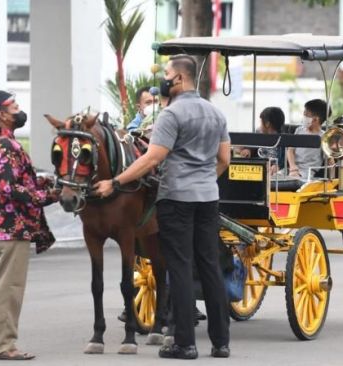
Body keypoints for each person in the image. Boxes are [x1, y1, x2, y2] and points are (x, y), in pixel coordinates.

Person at [94, 54, 231, 359]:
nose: (163, 79)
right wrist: (205, 180)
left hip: (177, 199)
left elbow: (152, 158)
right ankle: (221, 343)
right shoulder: (215, 114)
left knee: (180, 268)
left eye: (167, 74)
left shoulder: (171, 115)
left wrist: (115, 183)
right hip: (208, 198)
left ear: (179, 79)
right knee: (209, 265)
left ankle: (185, 343)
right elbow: (224, 160)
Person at [0, 90, 59, 360]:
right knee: (8, 289)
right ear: (2, 114)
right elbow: (10, 189)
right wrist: (48, 196)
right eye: (15, 107)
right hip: (11, 228)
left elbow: (15, 181)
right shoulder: (6, 146)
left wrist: (43, 180)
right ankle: (3, 346)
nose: (19, 110)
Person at [237, 106, 286, 175]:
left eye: (261, 122)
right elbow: (253, 146)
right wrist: (249, 150)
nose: (259, 126)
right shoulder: (259, 135)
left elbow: (284, 159)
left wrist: (278, 166)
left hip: (272, 170)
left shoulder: (282, 140)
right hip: (258, 167)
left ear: (267, 124)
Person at [287, 99, 328, 179]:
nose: (304, 117)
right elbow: (290, 150)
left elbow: (329, 160)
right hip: (292, 169)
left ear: (316, 119)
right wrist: (293, 167)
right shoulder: (299, 130)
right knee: (270, 177)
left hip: (307, 172)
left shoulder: (324, 137)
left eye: (306, 115)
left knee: (292, 179)